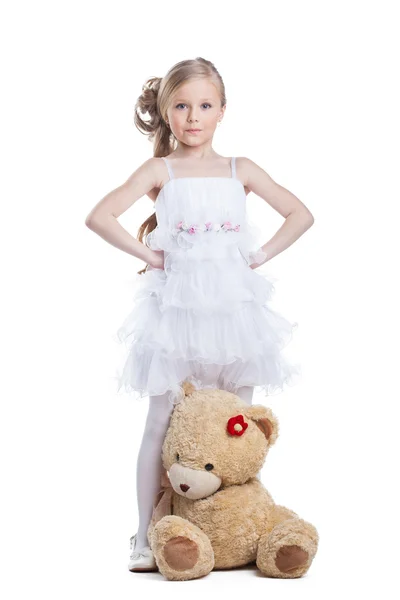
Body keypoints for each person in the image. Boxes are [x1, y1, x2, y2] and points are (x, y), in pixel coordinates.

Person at [85, 57, 314, 572]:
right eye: (183, 105)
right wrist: (152, 257)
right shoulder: (159, 171)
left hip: (236, 318)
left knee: (237, 425)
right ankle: (145, 536)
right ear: (167, 112)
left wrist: (257, 256)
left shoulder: (241, 169)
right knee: (160, 423)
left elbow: (301, 214)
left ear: (222, 111)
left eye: (205, 105)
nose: (193, 116)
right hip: (178, 318)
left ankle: (239, 528)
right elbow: (99, 215)